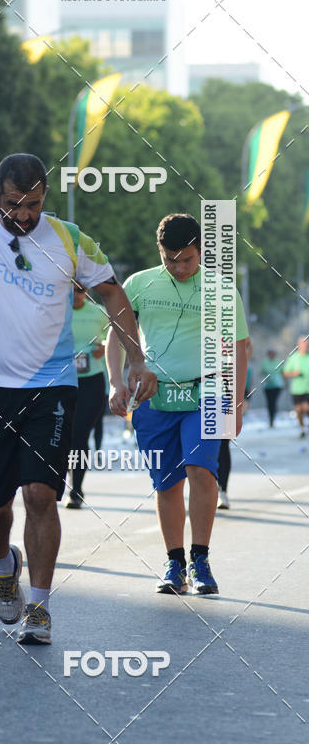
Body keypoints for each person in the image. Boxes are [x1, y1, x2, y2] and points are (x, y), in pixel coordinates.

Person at [0, 153, 155, 644]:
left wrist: (134, 358)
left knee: (41, 495)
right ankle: (5, 566)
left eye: (34, 204)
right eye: (12, 204)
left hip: (52, 387)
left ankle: (40, 609)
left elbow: (112, 294)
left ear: (46, 197)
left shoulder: (70, 238)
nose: (24, 215)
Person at [108, 213, 248, 596]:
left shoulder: (220, 289)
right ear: (160, 251)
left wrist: (236, 402)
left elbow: (238, 348)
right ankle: (175, 563)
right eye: (171, 259)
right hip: (153, 397)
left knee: (201, 471)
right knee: (167, 482)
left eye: (186, 259)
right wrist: (116, 381)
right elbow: (118, 336)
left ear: (200, 250)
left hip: (208, 392)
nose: (179, 267)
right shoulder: (139, 284)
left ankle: (201, 558)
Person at [65, 282, 108, 508]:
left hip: (91, 380)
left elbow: (112, 338)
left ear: (87, 291)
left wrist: (104, 346)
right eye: (71, 289)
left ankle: (77, 489)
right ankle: (55, 483)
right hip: (61, 381)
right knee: (62, 435)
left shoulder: (98, 313)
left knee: (79, 435)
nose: (76, 294)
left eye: (80, 290)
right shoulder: (57, 311)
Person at [217, 336, 252, 510]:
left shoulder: (229, 321)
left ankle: (222, 491)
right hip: (199, 392)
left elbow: (246, 349)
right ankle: (206, 489)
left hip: (225, 393)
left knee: (222, 445)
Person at [283, 335, 309, 438]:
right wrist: (295, 374)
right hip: (296, 389)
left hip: (307, 388)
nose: (305, 347)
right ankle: (302, 428)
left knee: (306, 408)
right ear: (298, 346)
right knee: (298, 410)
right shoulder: (293, 358)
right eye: (303, 345)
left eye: (306, 345)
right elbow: (285, 373)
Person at [260, 347, 284, 428]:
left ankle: (273, 418)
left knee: (273, 401)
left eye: (273, 353)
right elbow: (261, 372)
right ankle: (271, 419)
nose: (272, 355)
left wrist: (286, 383)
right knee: (269, 402)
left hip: (277, 385)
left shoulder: (278, 362)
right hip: (267, 386)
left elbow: (283, 373)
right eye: (270, 353)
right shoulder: (265, 362)